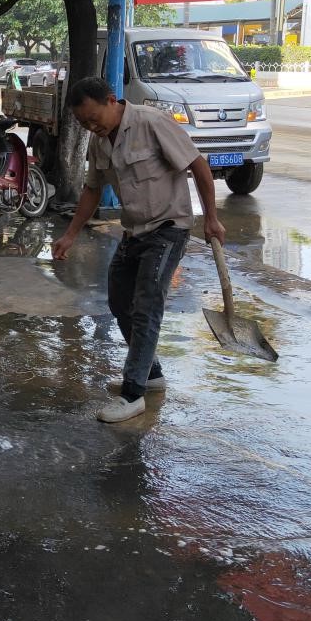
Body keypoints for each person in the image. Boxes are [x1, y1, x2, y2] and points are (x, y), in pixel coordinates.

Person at [51, 76, 225, 424]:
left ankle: (133, 394)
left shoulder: (152, 122)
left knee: (146, 306)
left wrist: (211, 219)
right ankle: (151, 372)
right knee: (118, 302)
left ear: (111, 100)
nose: (91, 126)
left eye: (93, 117)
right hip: (134, 231)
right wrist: (70, 234)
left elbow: (198, 164)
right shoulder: (100, 142)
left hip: (168, 228)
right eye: (83, 122)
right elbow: (92, 190)